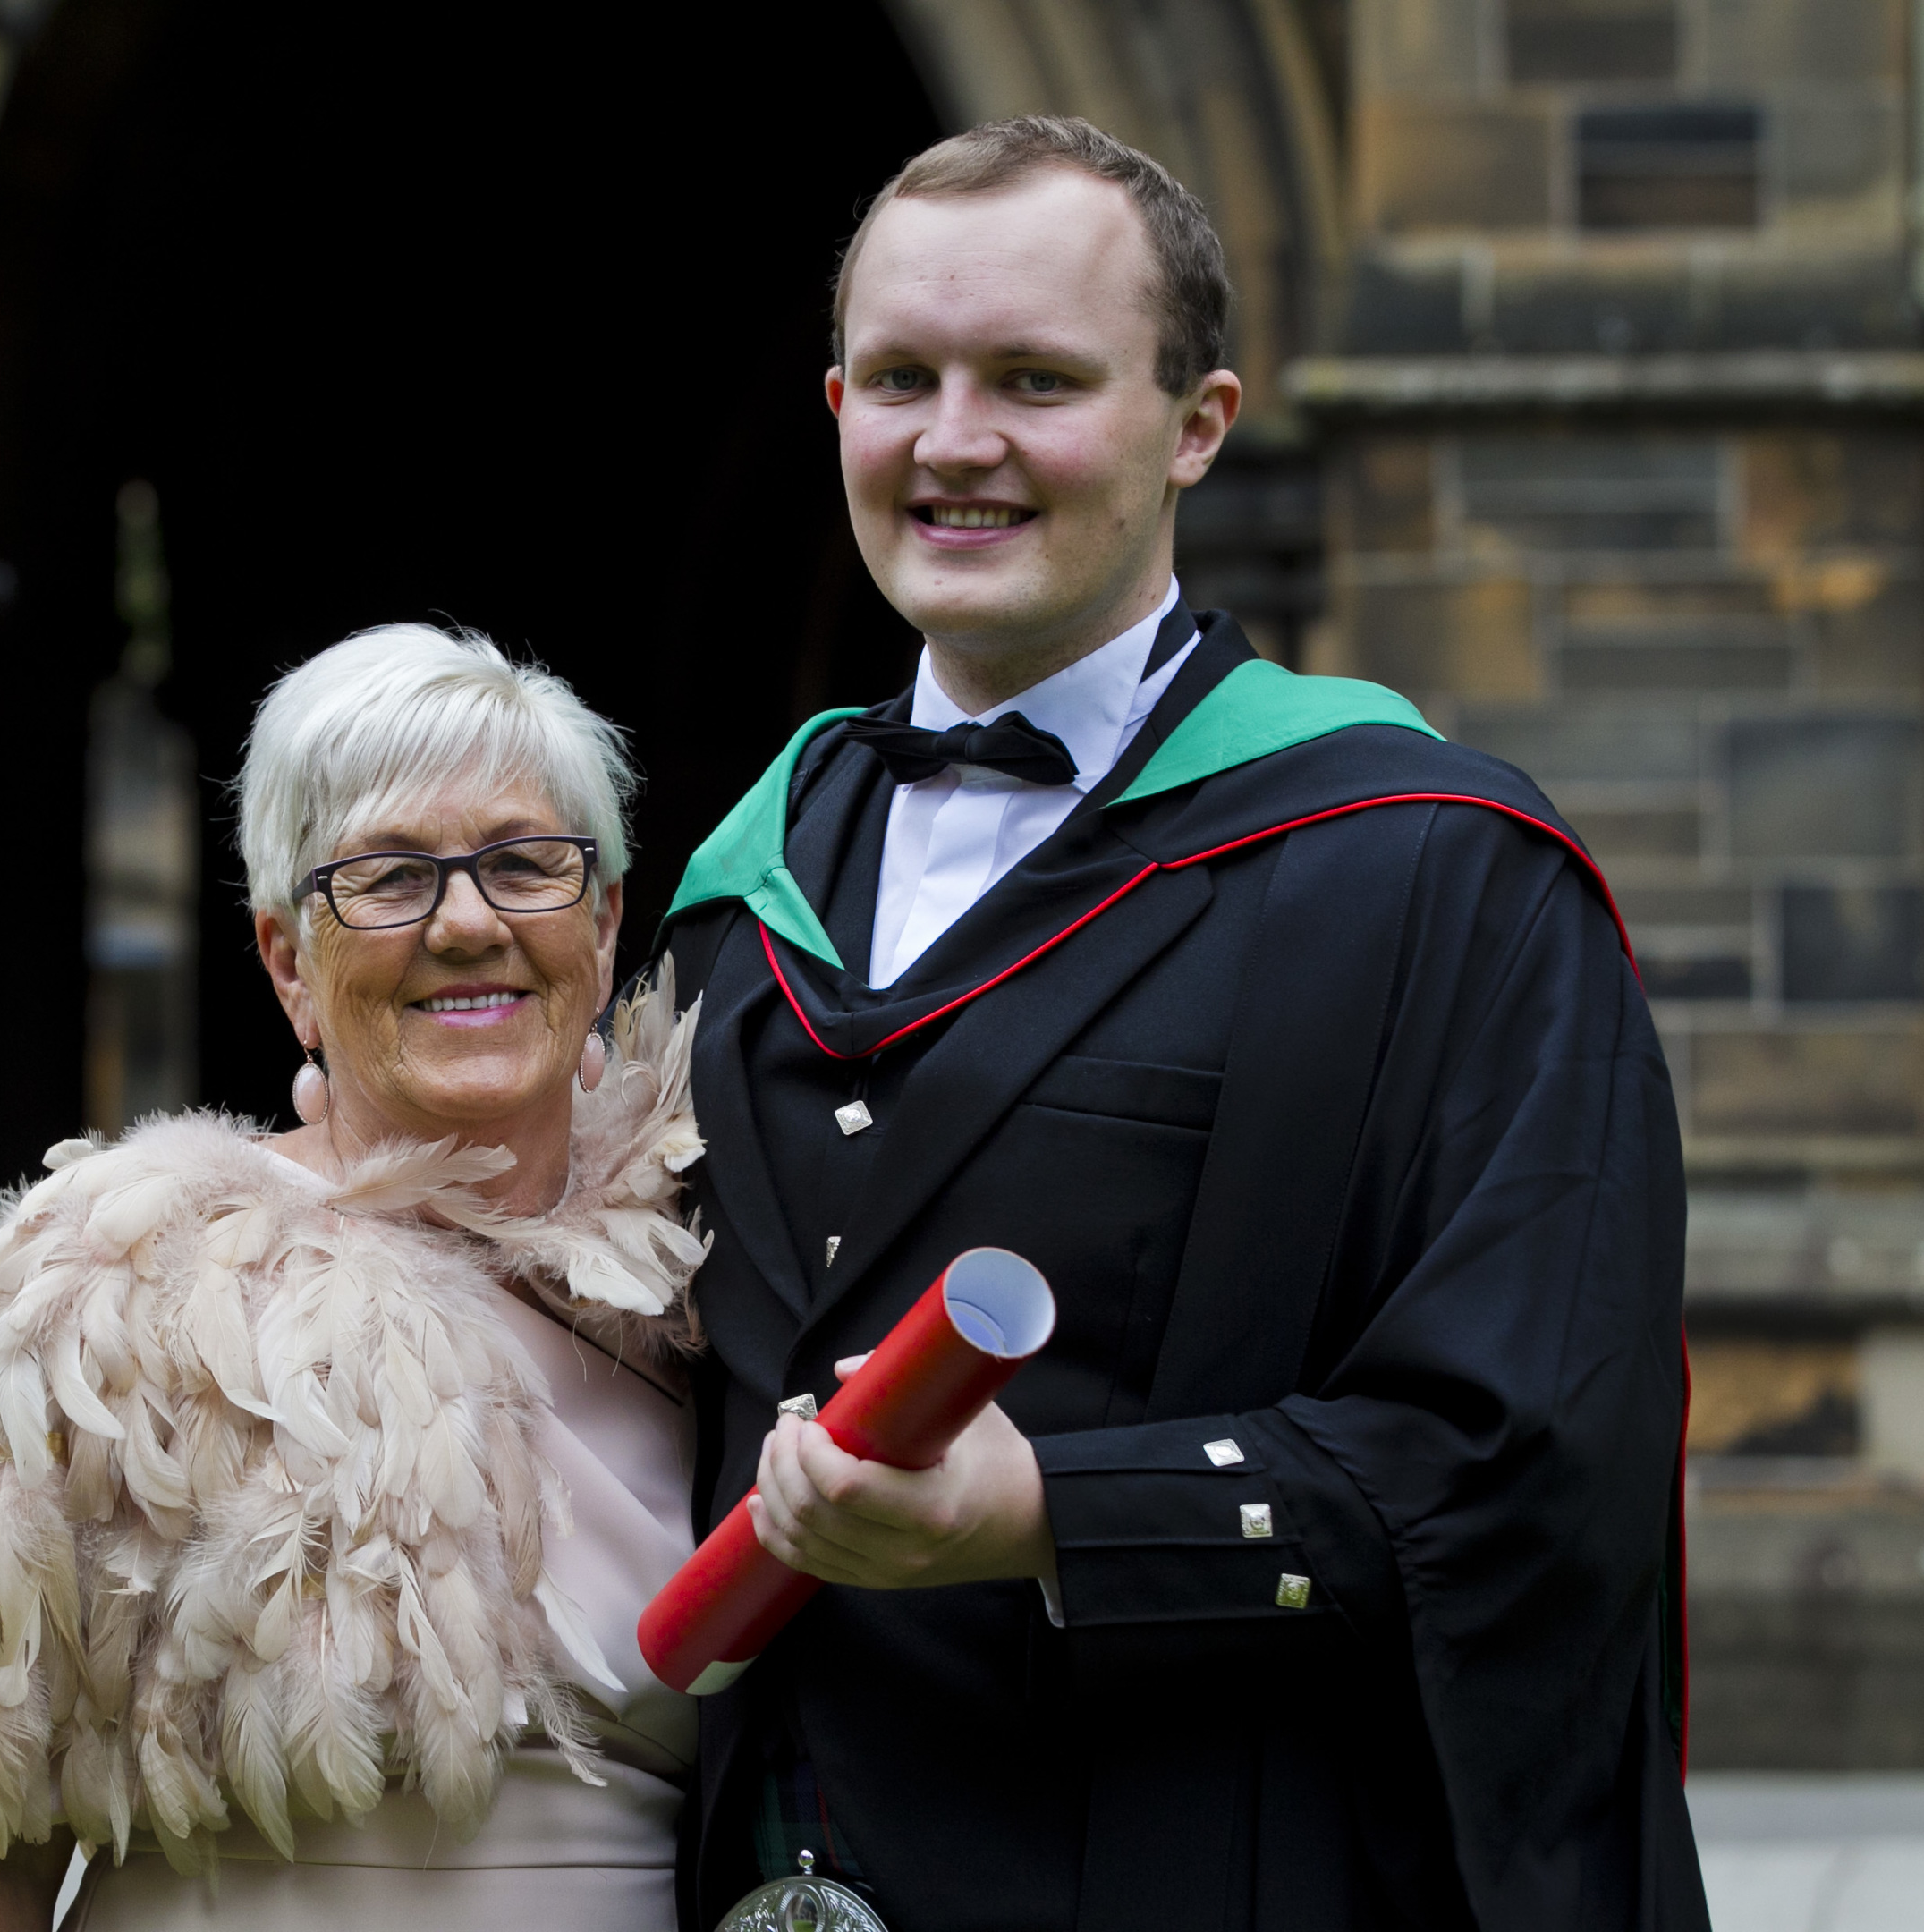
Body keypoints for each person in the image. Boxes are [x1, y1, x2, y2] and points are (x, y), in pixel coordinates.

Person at [656, 118, 1705, 1930]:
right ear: (835, 405)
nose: (954, 440)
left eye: (1037, 382)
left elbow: (1531, 1456)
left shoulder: (1433, 878)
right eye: (901, 377)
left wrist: (1053, 1511)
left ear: (1197, 424)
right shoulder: (736, 895)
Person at [0, 623, 709, 1930]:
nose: (467, 924)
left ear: (604, 919)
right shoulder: (118, 1292)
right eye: (390, 878)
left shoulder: (714, 1279)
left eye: (523, 865)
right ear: (289, 958)